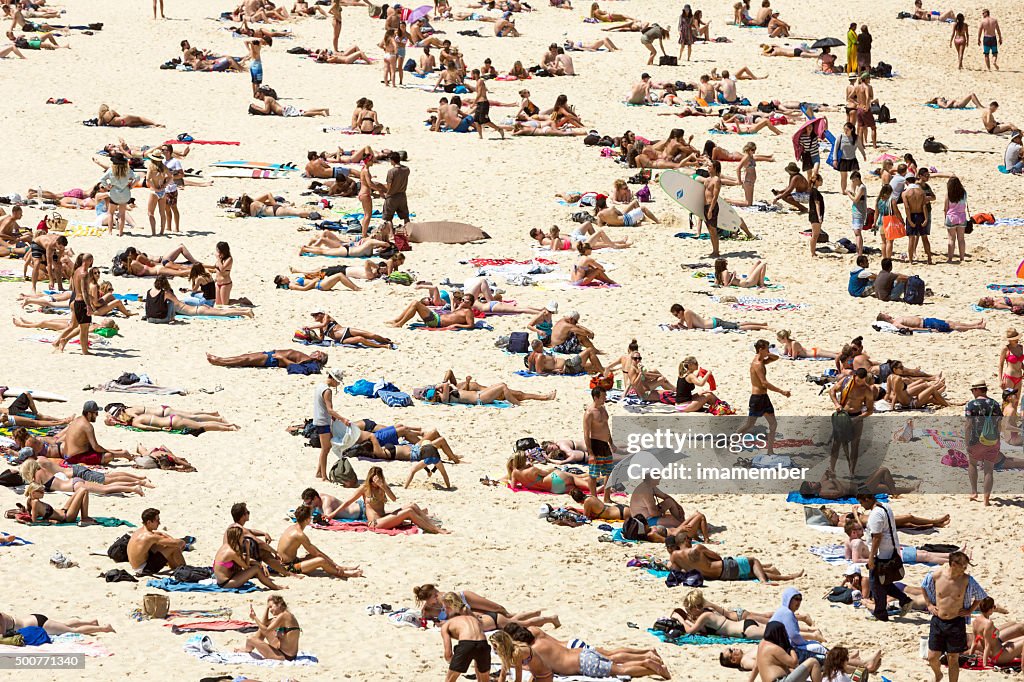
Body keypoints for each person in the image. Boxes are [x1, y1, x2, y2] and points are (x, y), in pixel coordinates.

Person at [923, 552, 987, 682]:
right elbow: (924, 586)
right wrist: (929, 604)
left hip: (956, 622)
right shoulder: (937, 575)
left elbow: (980, 595)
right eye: (963, 566)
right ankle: (938, 674)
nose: (965, 569)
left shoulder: (967, 580)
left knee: (953, 658)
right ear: (953, 564)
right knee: (932, 657)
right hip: (938, 621)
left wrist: (969, 610)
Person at [336, 466, 448, 533]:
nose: (374, 484)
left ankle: (429, 523)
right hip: (375, 523)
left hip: (384, 518)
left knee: (412, 505)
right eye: (372, 481)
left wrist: (382, 486)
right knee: (408, 512)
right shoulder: (365, 488)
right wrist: (332, 514)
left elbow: (394, 499)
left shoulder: (382, 486)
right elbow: (348, 502)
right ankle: (435, 530)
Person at [856, 492, 912, 622]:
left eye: (862, 502)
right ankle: (904, 600)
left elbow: (877, 537)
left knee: (875, 583)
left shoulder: (875, 514)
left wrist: (871, 557)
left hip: (881, 554)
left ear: (867, 499)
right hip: (891, 549)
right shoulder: (885, 506)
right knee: (884, 582)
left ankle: (880, 613)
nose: (862, 506)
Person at [667, 534, 801, 583]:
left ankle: (785, 576)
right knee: (753, 561)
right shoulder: (697, 548)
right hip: (724, 568)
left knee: (753, 573)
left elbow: (676, 571)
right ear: (685, 539)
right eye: (689, 539)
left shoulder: (674, 556)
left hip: (718, 577)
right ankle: (764, 581)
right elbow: (717, 557)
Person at [736, 340, 790, 456]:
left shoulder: (761, 360)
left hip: (764, 398)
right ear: (760, 349)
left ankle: (770, 451)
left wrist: (767, 353)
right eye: (766, 349)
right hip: (757, 399)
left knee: (773, 424)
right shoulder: (758, 364)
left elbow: (776, 358)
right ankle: (732, 441)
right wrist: (781, 391)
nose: (768, 351)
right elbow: (764, 383)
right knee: (749, 425)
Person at [277, 505, 362, 578]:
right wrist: (333, 564)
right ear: (307, 520)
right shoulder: (299, 534)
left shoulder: (292, 528)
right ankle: (344, 573)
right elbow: (317, 554)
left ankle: (341, 567)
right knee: (320, 560)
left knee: (312, 556)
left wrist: (334, 564)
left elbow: (315, 551)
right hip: (287, 567)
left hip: (289, 562)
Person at [965, 379, 1001, 506]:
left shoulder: (971, 405)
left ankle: (974, 492)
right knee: (989, 470)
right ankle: (986, 500)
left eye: (972, 390)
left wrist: (967, 442)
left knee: (973, 464)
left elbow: (969, 425)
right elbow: (999, 425)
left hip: (976, 440)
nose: (972, 393)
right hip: (992, 440)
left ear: (977, 390)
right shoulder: (995, 404)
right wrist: (997, 441)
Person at [440, 595, 492, 682]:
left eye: (444, 608)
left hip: (466, 645)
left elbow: (448, 655)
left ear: (448, 608)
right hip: (483, 644)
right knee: (484, 679)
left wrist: (455, 662)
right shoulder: (474, 619)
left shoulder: (447, 625)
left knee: (449, 680)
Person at [61, 401, 132, 466]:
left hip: (67, 455)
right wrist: (109, 452)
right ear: (89, 414)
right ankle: (124, 454)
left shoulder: (77, 419)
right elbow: (96, 447)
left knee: (98, 449)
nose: (97, 415)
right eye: (96, 413)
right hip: (74, 458)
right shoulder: (87, 426)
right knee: (108, 456)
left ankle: (119, 452)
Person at [127, 508, 186, 574]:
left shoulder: (139, 532)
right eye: (157, 520)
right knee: (174, 547)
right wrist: (183, 542)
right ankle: (185, 569)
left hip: (137, 567)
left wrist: (166, 536)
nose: (159, 523)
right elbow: (176, 543)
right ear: (149, 522)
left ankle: (175, 566)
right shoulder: (150, 536)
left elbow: (159, 534)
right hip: (144, 569)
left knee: (161, 545)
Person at [583, 387, 615, 502]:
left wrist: (611, 443)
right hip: (595, 445)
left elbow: (606, 427)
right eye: (603, 396)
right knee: (593, 474)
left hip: (605, 445)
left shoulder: (603, 409)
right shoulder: (589, 413)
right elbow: (586, 434)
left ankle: (607, 497)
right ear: (596, 398)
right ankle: (594, 498)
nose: (605, 398)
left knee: (609, 472)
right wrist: (590, 453)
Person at [24, 483, 93, 525]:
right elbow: (34, 520)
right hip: (67, 517)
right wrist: (50, 521)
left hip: (63, 510)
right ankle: (85, 518)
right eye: (41, 492)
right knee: (84, 490)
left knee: (81, 489)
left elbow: (29, 514)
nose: (43, 493)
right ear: (33, 493)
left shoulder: (29, 500)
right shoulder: (35, 502)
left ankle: (84, 517)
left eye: (43, 491)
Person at [206, 349, 328, 370]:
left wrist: (282, 358)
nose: (316, 352)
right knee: (244, 356)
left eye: (319, 353)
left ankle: (219, 361)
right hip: (272, 355)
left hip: (273, 359)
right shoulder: (307, 359)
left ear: (319, 358)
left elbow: (296, 368)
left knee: (246, 359)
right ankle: (222, 359)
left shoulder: (310, 364)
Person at [876, 313, 986, 333]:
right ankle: (976, 327)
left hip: (927, 320)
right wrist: (928, 330)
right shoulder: (896, 324)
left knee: (951, 322)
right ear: (884, 318)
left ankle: (974, 324)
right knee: (954, 326)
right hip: (927, 325)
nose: (887, 313)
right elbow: (910, 329)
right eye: (884, 314)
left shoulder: (896, 319)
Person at [382, 151, 410, 228]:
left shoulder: (391, 171)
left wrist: (387, 194)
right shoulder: (406, 169)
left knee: (388, 218)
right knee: (405, 216)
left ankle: (391, 235)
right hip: (402, 195)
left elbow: (389, 186)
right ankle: (409, 231)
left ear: (392, 160)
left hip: (392, 196)